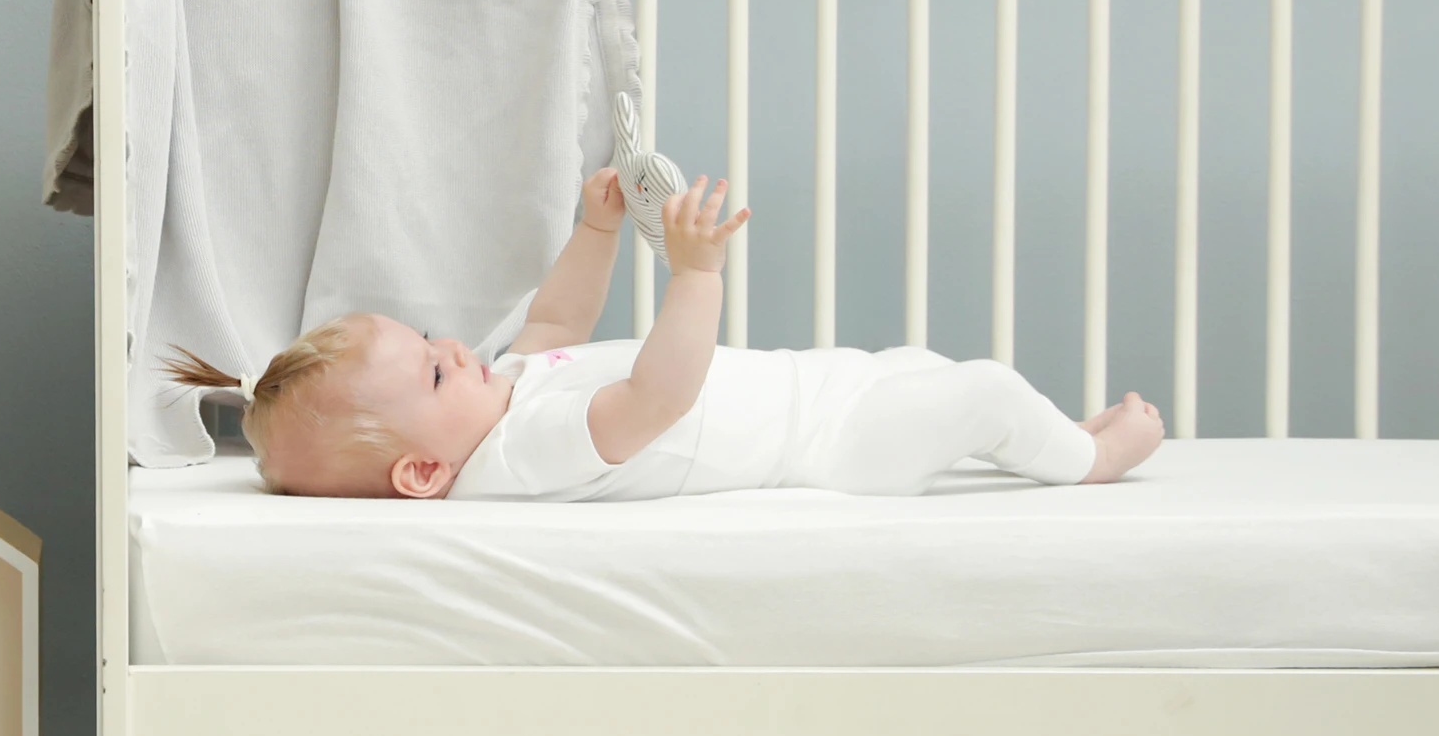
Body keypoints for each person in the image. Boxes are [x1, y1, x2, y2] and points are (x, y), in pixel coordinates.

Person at [168, 170, 1164, 502]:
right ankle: (1092, 459)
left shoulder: (502, 396)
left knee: (932, 374)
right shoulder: (525, 450)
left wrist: (595, 228)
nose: (457, 351)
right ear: (424, 471)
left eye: (434, 340)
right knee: (980, 391)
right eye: (434, 373)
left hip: (828, 388)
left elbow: (557, 320)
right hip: (832, 448)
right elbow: (657, 396)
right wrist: (696, 276)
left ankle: (1051, 439)